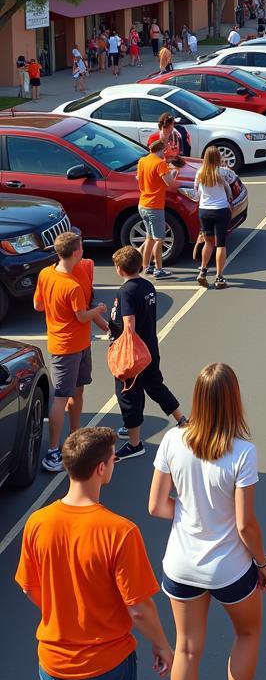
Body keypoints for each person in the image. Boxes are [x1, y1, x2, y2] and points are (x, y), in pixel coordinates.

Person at [17, 427, 174, 680]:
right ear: (101, 468)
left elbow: (29, 587)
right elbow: (138, 608)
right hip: (108, 664)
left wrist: (67, 612)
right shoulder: (120, 532)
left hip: (55, 663)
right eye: (113, 460)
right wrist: (161, 645)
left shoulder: (37, 523)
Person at [148, 364, 266, 680]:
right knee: (247, 634)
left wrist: (192, 511)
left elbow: (156, 506)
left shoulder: (172, 440)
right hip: (229, 570)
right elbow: (245, 524)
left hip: (181, 566)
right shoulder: (243, 453)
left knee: (187, 649)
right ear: (233, 401)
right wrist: (262, 564)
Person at [33, 232, 108, 473]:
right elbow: (82, 315)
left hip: (77, 344)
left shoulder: (47, 274)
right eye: (82, 247)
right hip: (67, 349)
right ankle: (54, 451)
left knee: (77, 390)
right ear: (76, 252)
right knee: (61, 397)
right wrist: (100, 309)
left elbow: (38, 305)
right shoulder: (72, 285)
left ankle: (75, 436)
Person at [109, 245, 186, 462]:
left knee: (128, 395)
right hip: (150, 348)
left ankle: (135, 444)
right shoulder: (147, 285)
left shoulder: (126, 292)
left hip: (133, 354)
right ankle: (181, 420)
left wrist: (120, 343)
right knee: (154, 385)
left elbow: (129, 325)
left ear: (119, 269)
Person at [195, 147, 237, 289]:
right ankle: (219, 277)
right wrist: (225, 166)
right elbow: (233, 179)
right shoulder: (222, 172)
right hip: (221, 210)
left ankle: (203, 270)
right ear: (218, 158)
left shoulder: (200, 172)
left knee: (208, 243)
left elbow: (196, 191)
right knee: (221, 244)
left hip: (204, 210)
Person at [137, 138, 179, 278]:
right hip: (155, 206)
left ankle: (146, 266)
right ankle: (158, 269)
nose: (165, 153)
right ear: (161, 150)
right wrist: (174, 173)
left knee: (149, 237)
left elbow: (138, 177)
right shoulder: (160, 163)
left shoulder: (143, 161)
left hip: (143, 204)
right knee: (159, 239)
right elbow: (170, 183)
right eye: (165, 150)